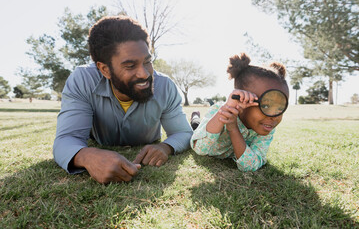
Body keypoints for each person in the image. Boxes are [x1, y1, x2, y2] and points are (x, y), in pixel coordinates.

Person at [53, 15, 193, 184]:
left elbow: (183, 133)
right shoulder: (82, 80)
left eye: (147, 62)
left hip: (150, 142)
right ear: (104, 69)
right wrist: (87, 156)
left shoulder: (166, 86)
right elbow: (66, 139)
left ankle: (196, 119)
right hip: (98, 141)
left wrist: (166, 147)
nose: (144, 74)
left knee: (194, 126)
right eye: (130, 66)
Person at [190, 53, 289, 171]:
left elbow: (250, 165)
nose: (275, 116)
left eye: (280, 108)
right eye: (266, 105)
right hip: (203, 131)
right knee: (195, 127)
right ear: (242, 100)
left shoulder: (267, 127)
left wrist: (233, 128)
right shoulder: (220, 110)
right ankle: (195, 116)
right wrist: (224, 114)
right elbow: (200, 149)